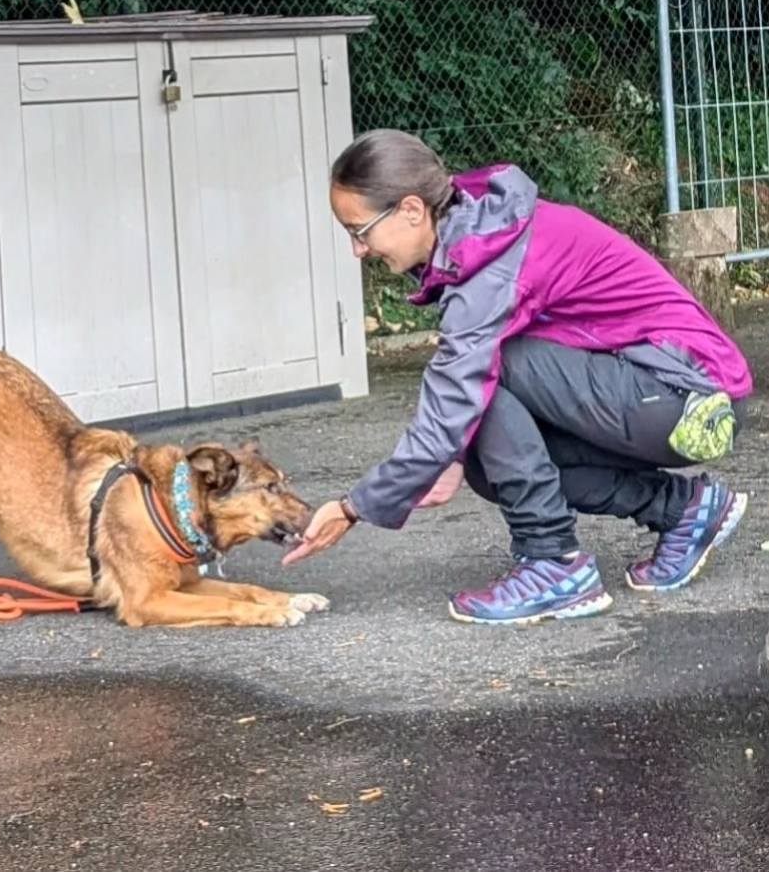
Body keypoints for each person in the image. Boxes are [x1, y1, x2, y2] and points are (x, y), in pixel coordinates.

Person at [281, 129, 753, 625]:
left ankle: (553, 563)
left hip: (692, 399)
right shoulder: (479, 237)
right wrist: (456, 452)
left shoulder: (490, 263)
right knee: (492, 465)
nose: (358, 249)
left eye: (360, 230)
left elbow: (459, 393)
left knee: (491, 368)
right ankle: (683, 509)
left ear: (413, 210)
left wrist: (353, 507)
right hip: (658, 394)